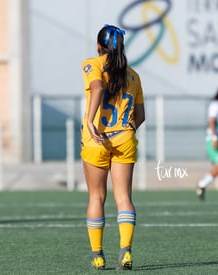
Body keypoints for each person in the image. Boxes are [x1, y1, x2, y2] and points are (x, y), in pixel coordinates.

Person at [81, 24, 145, 270]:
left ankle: (98, 256)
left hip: (97, 138)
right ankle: (126, 251)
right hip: (124, 138)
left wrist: (89, 120)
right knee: (124, 197)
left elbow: (97, 87)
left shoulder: (93, 64)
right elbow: (140, 115)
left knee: (97, 197)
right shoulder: (133, 75)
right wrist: (126, 133)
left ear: (99, 46)